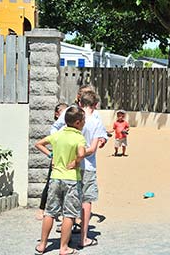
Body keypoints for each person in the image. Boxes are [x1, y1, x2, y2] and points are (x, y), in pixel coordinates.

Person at [34, 106, 86, 255]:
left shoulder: (58, 134)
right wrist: (76, 161)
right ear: (77, 122)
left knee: (50, 212)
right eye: (83, 120)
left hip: (55, 177)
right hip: (71, 179)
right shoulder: (79, 137)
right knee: (69, 214)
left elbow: (38, 144)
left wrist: (51, 156)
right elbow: (81, 153)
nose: (84, 123)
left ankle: (42, 245)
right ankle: (63, 247)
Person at [78, 91, 105, 248]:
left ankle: (65, 235)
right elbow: (95, 146)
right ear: (95, 105)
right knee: (86, 201)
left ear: (80, 103)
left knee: (70, 198)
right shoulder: (95, 122)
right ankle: (83, 237)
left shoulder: (72, 116)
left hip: (70, 165)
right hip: (88, 165)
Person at [36, 103, 69, 220]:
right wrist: (51, 155)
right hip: (57, 158)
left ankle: (61, 211)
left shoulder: (68, 127)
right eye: (62, 112)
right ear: (57, 113)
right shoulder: (56, 129)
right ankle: (41, 208)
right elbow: (40, 144)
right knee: (50, 183)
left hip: (67, 158)